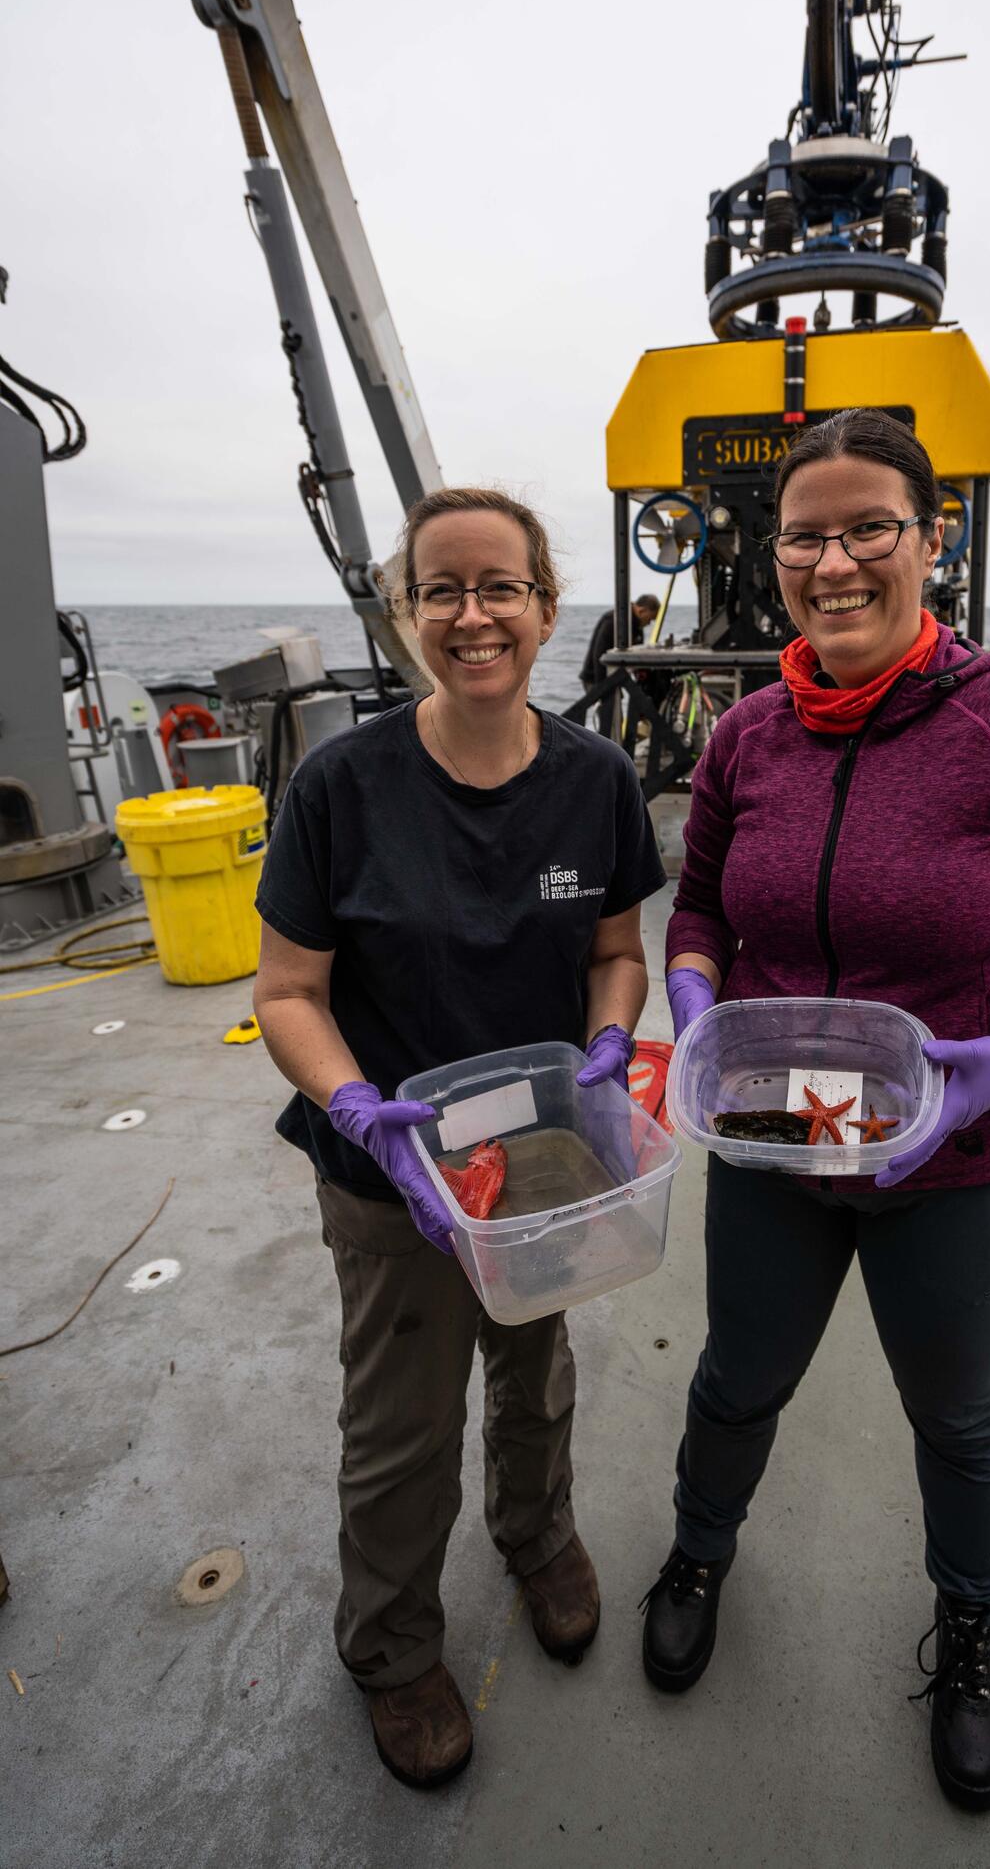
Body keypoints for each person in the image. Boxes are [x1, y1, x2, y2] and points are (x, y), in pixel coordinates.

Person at [642, 410, 990, 1814]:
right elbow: (703, 905)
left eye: (870, 528)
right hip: (779, 1136)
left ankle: (972, 1629)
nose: (835, 560)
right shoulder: (744, 736)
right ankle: (697, 1551)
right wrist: (692, 994)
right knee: (738, 1379)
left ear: (933, 539)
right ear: (772, 552)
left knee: (956, 1415)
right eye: (805, 534)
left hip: (953, 1153)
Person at [251, 486, 665, 1791]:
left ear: (548, 608)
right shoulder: (340, 786)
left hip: (544, 1163)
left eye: (501, 587)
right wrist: (359, 1109)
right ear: (405, 613)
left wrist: (609, 1043)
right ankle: (390, 1646)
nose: (473, 614)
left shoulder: (596, 779)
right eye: (443, 589)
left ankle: (537, 1537)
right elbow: (287, 993)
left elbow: (615, 951)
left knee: (536, 1375)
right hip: (393, 1179)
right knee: (402, 1423)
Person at [581, 594, 661, 737]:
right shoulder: (613, 621)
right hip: (595, 678)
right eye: (650, 619)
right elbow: (598, 656)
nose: (650, 623)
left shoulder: (636, 627)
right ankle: (605, 754)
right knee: (611, 721)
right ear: (642, 611)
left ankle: (614, 749)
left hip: (614, 678)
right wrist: (602, 689)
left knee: (616, 720)